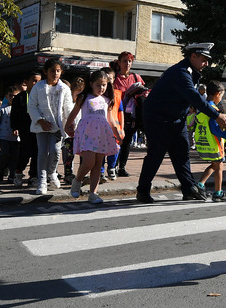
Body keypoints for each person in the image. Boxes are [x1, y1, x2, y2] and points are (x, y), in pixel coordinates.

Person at [136, 43, 226, 203]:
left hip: (176, 119)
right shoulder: (180, 73)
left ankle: (188, 189)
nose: (207, 63)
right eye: (204, 59)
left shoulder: (190, 72)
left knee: (181, 154)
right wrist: (216, 115)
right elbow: (195, 97)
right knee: (155, 156)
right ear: (193, 56)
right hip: (158, 119)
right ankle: (143, 191)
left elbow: (196, 98)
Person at [65, 70, 123, 204]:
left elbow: (111, 120)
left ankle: (93, 193)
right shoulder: (84, 98)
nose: (101, 88)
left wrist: (117, 133)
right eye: (98, 85)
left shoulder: (107, 100)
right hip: (87, 133)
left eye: (104, 85)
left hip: (101, 135)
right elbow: (74, 113)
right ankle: (77, 180)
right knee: (89, 161)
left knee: (97, 164)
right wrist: (68, 125)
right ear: (91, 84)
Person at [28, 58, 74, 195]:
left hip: (58, 126)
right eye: (52, 70)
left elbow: (68, 108)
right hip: (42, 127)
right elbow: (32, 106)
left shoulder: (64, 88)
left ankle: (52, 173)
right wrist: (40, 120)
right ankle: (42, 181)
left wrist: (70, 124)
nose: (55, 73)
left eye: (58, 71)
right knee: (42, 153)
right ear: (46, 72)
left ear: (61, 72)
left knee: (55, 151)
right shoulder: (38, 87)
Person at [194, 80, 226, 202]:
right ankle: (218, 193)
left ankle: (200, 185)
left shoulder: (204, 107)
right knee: (219, 166)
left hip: (205, 143)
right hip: (214, 143)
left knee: (214, 165)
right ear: (217, 94)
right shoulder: (213, 110)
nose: (221, 98)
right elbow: (214, 129)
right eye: (221, 95)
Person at [113, 51, 147, 177]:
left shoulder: (136, 77)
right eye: (124, 61)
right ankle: (113, 166)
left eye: (129, 61)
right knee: (116, 140)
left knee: (126, 141)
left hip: (132, 115)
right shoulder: (114, 78)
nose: (127, 64)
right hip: (117, 113)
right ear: (119, 62)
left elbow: (144, 93)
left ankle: (122, 167)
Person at [11, 69, 43, 188]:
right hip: (25, 130)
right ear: (26, 82)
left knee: (37, 154)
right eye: (34, 81)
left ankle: (33, 177)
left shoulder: (42, 97)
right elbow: (14, 115)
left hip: (38, 130)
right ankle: (18, 173)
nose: (36, 84)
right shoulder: (20, 98)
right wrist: (14, 127)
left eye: (39, 81)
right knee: (24, 153)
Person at [0, 86, 20, 184]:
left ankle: (12, 175)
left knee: (15, 157)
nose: (13, 98)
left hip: (17, 139)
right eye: (10, 96)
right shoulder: (3, 109)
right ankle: (1, 169)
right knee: (4, 154)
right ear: (6, 97)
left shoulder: (21, 109)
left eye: (15, 96)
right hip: (4, 137)